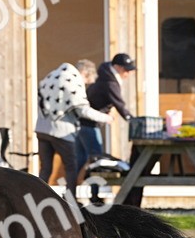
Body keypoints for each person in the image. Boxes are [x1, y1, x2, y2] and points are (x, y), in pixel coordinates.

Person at [35, 59, 112, 193]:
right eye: (87, 81)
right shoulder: (72, 80)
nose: (86, 85)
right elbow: (82, 109)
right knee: (71, 166)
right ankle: (70, 201)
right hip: (61, 130)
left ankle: (37, 198)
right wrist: (105, 117)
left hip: (42, 128)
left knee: (45, 168)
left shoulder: (52, 76)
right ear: (84, 72)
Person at [78, 52, 136, 202]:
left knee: (79, 162)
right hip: (89, 126)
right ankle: (94, 197)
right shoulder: (110, 82)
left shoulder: (105, 77)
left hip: (82, 125)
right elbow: (120, 105)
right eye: (126, 69)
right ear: (117, 67)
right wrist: (133, 120)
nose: (128, 73)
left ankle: (73, 194)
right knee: (95, 161)